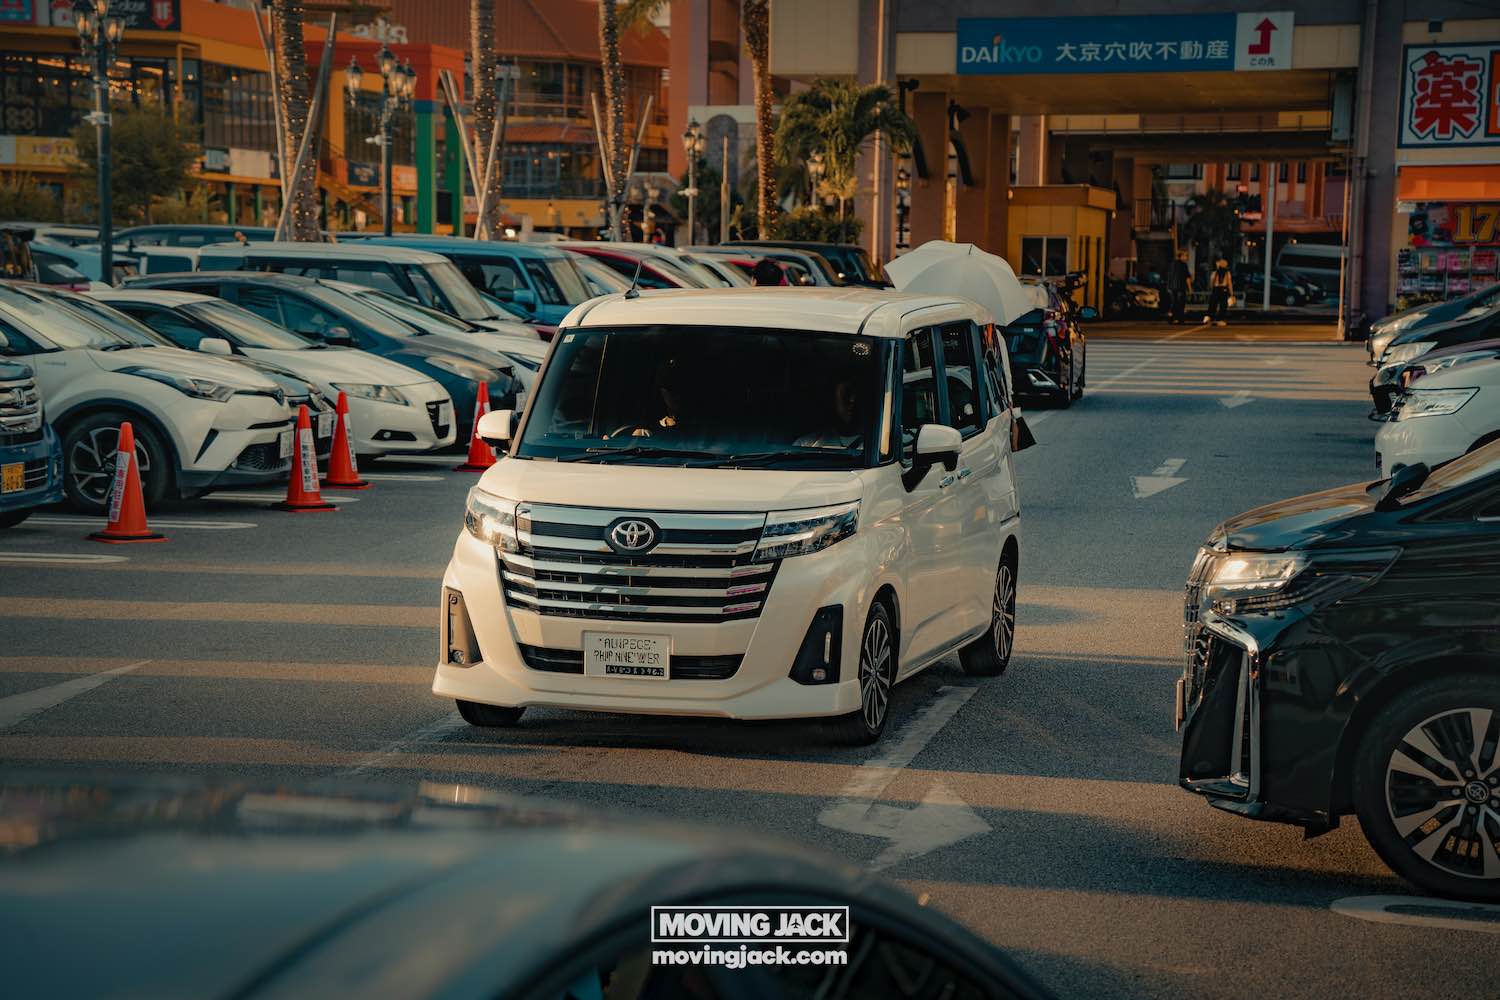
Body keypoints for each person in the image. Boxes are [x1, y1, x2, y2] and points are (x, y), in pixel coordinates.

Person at [795, 377, 864, 449]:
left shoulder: (875, 447)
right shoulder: (806, 445)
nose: (852, 400)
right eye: (846, 392)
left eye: (859, 392)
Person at [1206, 258, 1234, 327]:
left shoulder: (1214, 272)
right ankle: (1220, 319)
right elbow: (1229, 283)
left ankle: (1210, 318)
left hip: (1216, 289)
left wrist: (1212, 288)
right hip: (1223, 289)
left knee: (1213, 304)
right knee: (1223, 305)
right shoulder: (1227, 273)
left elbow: (1211, 282)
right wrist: (1231, 293)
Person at [1169, 250, 1192, 324]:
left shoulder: (1172, 264)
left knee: (1174, 303)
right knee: (1181, 303)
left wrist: (1169, 286)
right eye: (1185, 255)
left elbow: (1169, 276)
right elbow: (1187, 277)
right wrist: (1190, 288)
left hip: (1173, 287)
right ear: (1181, 256)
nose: (1187, 257)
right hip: (1181, 286)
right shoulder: (1184, 265)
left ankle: (1173, 318)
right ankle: (1180, 319)